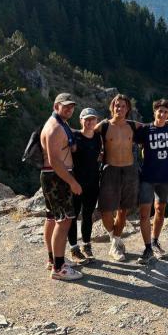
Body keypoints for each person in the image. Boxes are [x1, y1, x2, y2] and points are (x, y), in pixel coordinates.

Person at [40, 93, 83, 281]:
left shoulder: (60, 124)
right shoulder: (55, 128)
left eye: (71, 106)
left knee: (52, 218)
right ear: (56, 106)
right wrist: (72, 182)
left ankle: (53, 259)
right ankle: (59, 268)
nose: (69, 109)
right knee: (64, 220)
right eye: (65, 106)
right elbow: (55, 161)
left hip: (52, 176)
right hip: (58, 177)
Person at [135, 99, 168, 264]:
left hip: (165, 177)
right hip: (147, 177)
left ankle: (155, 241)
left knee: (160, 210)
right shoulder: (146, 129)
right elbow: (130, 135)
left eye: (166, 112)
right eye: (160, 111)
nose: (162, 114)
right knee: (144, 213)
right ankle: (147, 248)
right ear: (154, 112)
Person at [95, 94, 139, 262]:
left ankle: (115, 244)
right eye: (116, 105)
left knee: (123, 209)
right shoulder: (104, 126)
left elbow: (153, 127)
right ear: (111, 107)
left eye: (122, 106)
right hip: (110, 169)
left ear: (127, 109)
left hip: (129, 170)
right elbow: (87, 134)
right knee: (105, 209)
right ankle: (115, 239)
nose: (119, 108)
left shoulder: (133, 126)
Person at [68, 108, 102, 264]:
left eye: (92, 119)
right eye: (86, 119)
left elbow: (98, 156)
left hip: (93, 182)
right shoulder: (75, 137)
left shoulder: (97, 138)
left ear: (96, 121)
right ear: (81, 121)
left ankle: (86, 246)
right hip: (76, 184)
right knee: (73, 216)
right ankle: (74, 249)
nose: (89, 122)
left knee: (88, 215)